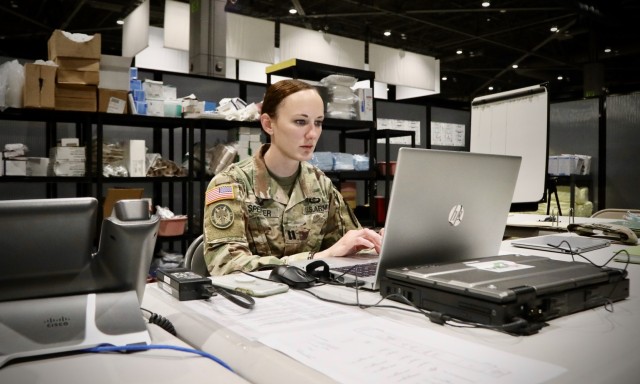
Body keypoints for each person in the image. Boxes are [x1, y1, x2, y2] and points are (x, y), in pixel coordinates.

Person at [203, 79, 382, 275]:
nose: (312, 134)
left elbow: (351, 242)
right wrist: (315, 259)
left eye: (318, 122)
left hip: (315, 297)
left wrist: (379, 243)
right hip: (256, 299)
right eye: (300, 122)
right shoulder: (230, 184)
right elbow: (226, 266)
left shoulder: (320, 184)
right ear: (268, 124)